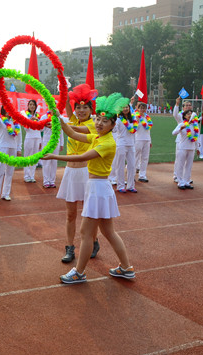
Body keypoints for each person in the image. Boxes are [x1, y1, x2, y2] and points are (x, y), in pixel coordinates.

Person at [42, 93, 135, 284]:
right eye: (98, 119)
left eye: (105, 121)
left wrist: (55, 157)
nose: (100, 123)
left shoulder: (107, 143)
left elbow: (81, 158)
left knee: (86, 234)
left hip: (98, 189)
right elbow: (73, 133)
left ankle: (79, 272)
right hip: (99, 189)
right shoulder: (97, 137)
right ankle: (126, 268)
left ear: (113, 125)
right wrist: (59, 120)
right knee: (108, 232)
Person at [56, 84, 100, 263]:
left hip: (86, 173)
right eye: (79, 107)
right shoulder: (73, 120)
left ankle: (93, 241)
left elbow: (72, 131)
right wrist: (63, 89)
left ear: (91, 109)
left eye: (85, 108)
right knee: (70, 214)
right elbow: (66, 102)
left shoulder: (93, 125)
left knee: (88, 213)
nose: (81, 111)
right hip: (70, 173)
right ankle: (69, 248)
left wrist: (58, 120)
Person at [0, 100, 22, 201]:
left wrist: (19, 149)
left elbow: (19, 137)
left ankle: (6, 193)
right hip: (2, 147)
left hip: (13, 147)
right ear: (4, 110)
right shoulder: (1, 121)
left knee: (10, 172)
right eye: (6, 109)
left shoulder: (16, 122)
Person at [111, 102, 137, 193]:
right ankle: (120, 185)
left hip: (131, 144)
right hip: (121, 144)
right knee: (120, 165)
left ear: (129, 108)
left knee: (132, 165)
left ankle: (131, 186)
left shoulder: (133, 119)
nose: (125, 109)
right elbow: (114, 130)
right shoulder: (118, 119)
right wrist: (112, 122)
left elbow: (133, 130)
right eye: (123, 107)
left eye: (127, 107)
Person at [172, 110, 199, 190]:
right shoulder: (181, 124)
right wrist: (181, 128)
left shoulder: (195, 126)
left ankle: (187, 181)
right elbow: (173, 133)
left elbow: (197, 137)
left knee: (189, 166)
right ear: (184, 116)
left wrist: (197, 148)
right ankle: (180, 182)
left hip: (191, 148)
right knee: (181, 165)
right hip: (182, 147)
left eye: (191, 114)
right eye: (188, 114)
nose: (190, 115)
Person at [172, 97, 195, 183]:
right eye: (186, 105)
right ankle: (177, 175)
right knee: (179, 159)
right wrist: (177, 104)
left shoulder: (193, 116)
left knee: (188, 161)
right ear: (183, 107)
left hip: (190, 141)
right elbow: (175, 115)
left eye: (190, 105)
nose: (188, 107)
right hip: (180, 140)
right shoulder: (181, 116)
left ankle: (186, 178)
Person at [131, 97, 152, 183]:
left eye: (144, 108)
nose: (142, 109)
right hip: (138, 139)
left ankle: (142, 175)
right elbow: (133, 129)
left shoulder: (147, 118)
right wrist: (137, 121)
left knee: (145, 158)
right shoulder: (135, 117)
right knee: (135, 158)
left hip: (146, 139)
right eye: (141, 108)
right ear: (137, 108)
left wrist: (150, 140)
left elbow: (148, 130)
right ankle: (131, 175)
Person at [40, 115, 63, 188]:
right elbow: (40, 129)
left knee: (54, 162)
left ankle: (52, 181)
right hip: (47, 141)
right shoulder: (44, 117)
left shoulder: (59, 117)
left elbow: (61, 131)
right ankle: (46, 181)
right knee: (46, 162)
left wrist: (62, 143)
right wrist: (45, 124)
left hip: (56, 141)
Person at [22, 100, 42, 183]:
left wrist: (37, 120)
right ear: (28, 106)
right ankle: (26, 175)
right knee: (27, 156)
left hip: (37, 137)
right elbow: (25, 128)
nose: (32, 106)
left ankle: (32, 175)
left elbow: (41, 129)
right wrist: (30, 120)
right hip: (29, 137)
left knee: (34, 157)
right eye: (30, 104)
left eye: (33, 105)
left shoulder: (38, 116)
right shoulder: (25, 115)